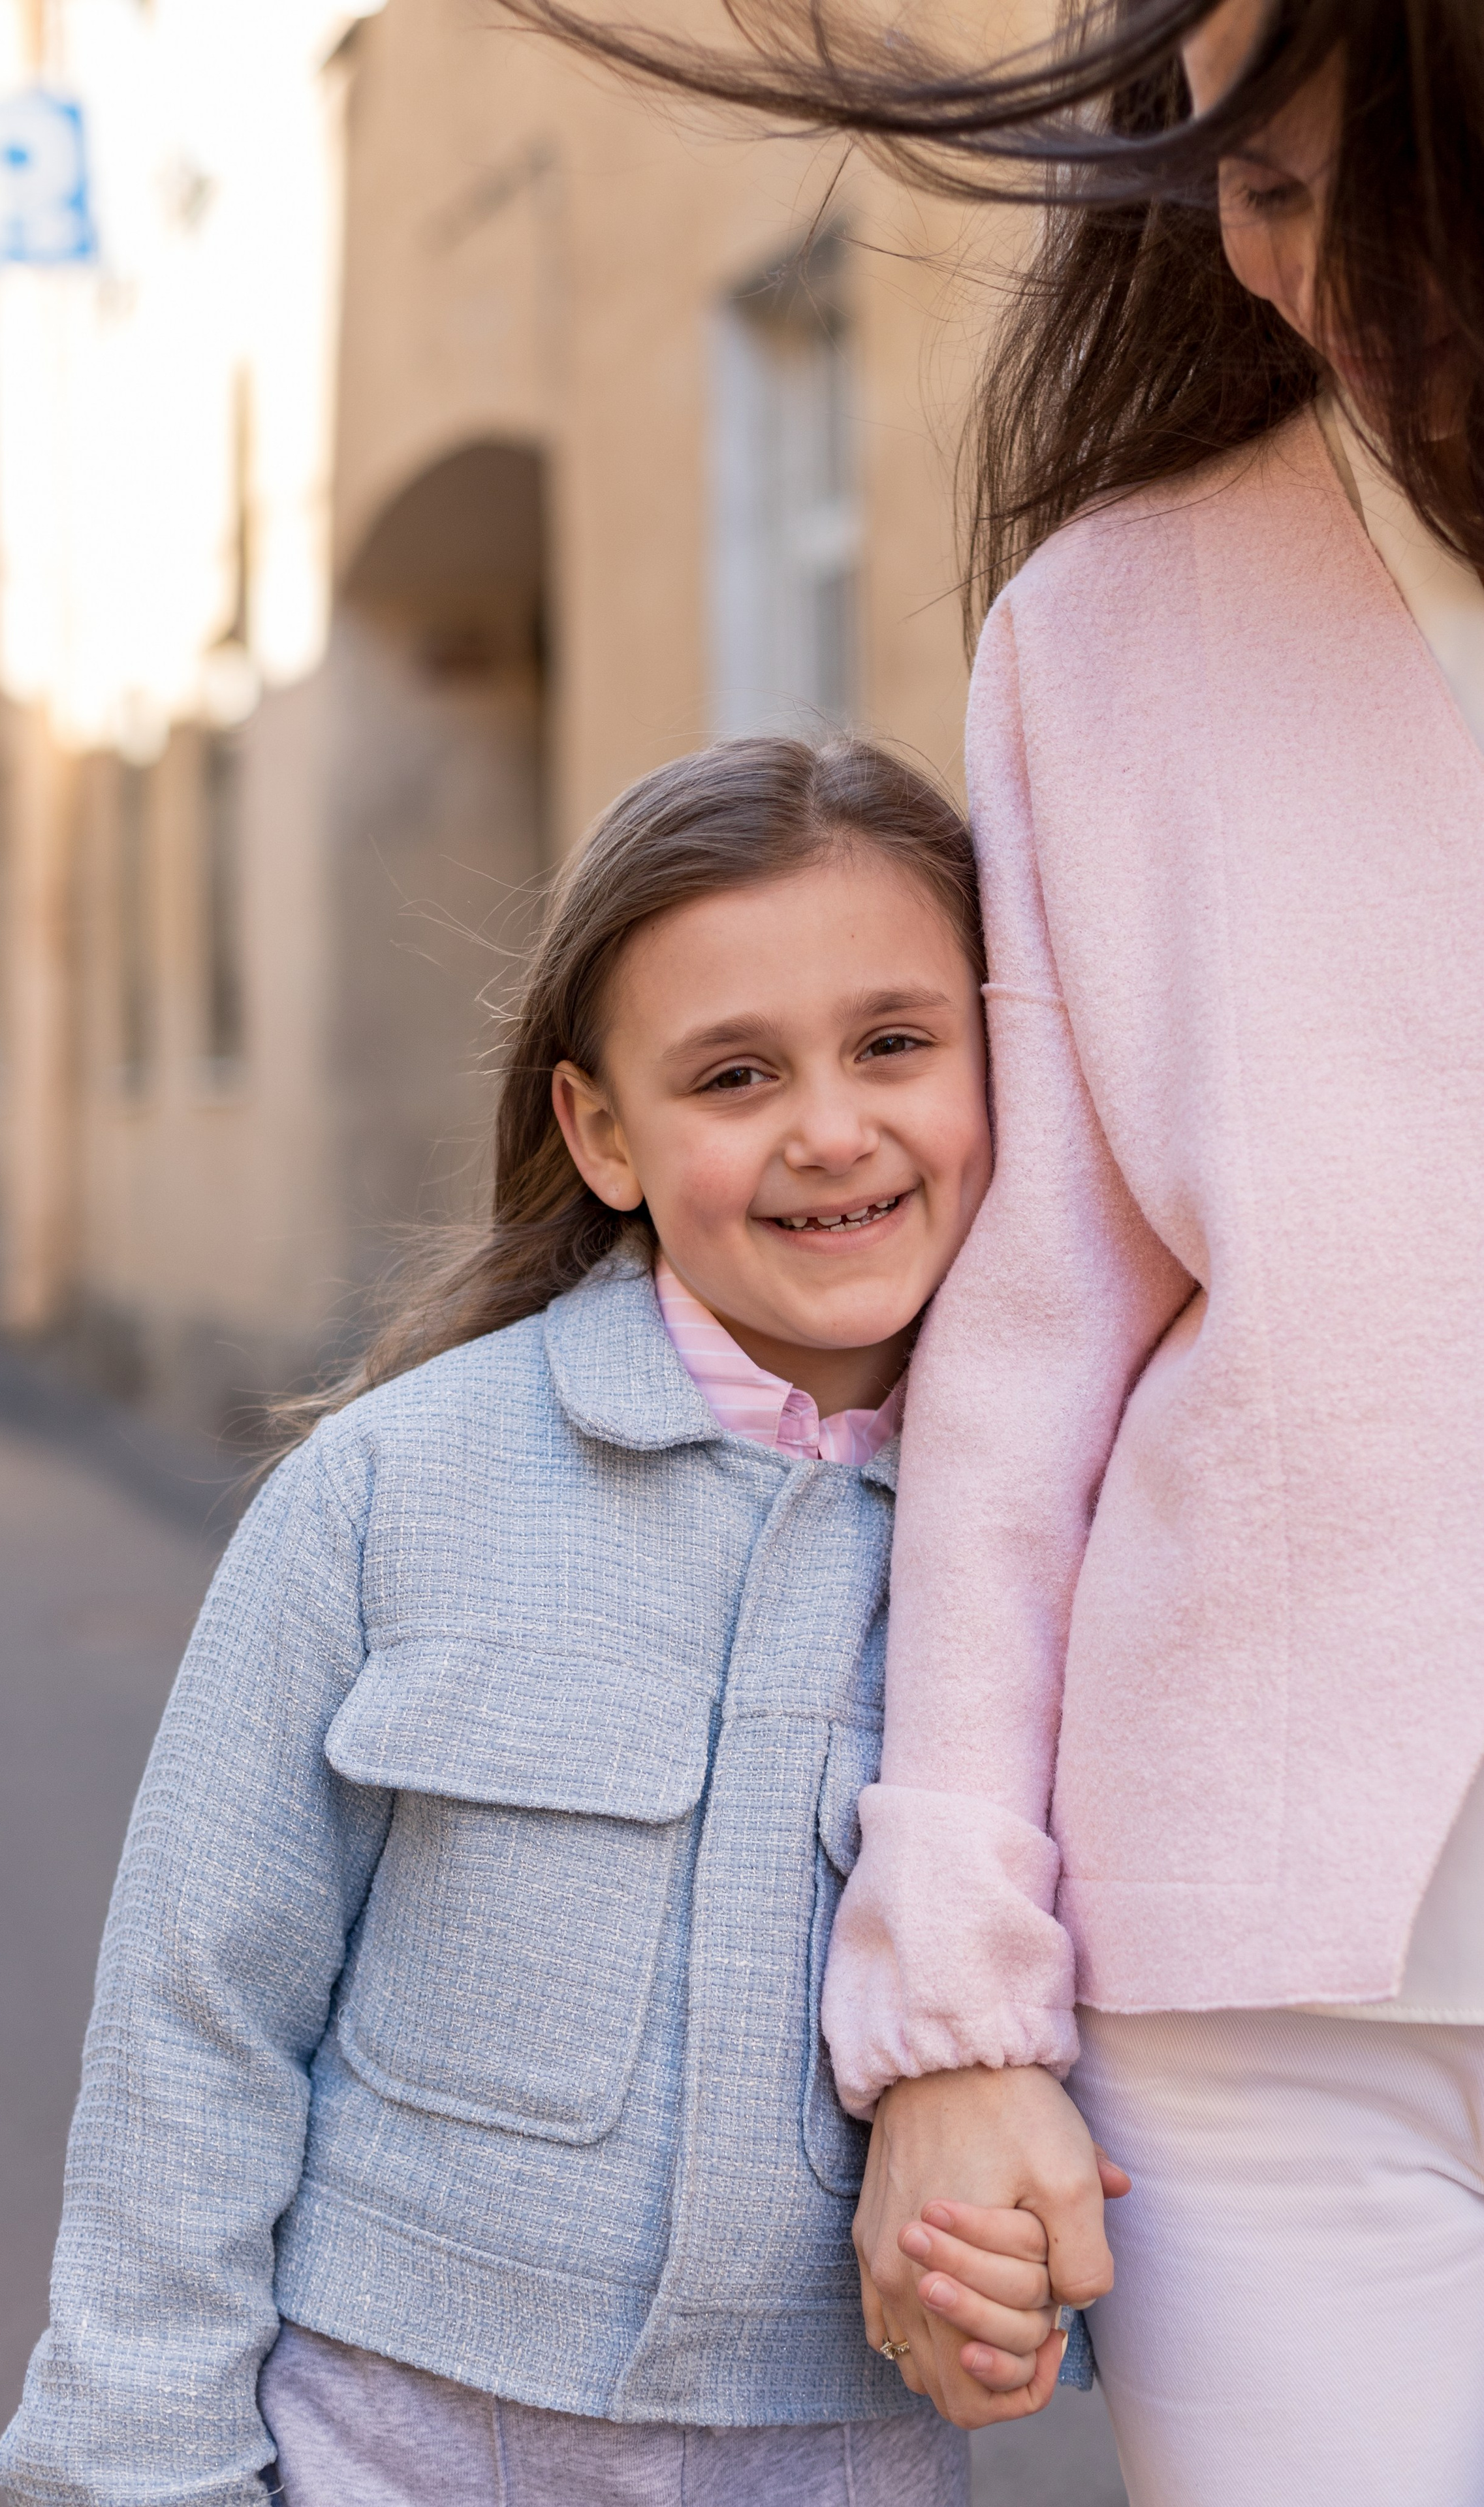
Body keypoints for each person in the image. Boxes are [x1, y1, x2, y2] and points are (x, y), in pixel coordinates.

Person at [497, 4, 1484, 2501]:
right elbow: (1029, 1362)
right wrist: (952, 2014)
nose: (1296, 274)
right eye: (1244, 191)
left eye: (1363, 189)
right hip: (1279, 2004)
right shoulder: (1114, 627)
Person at [0, 735, 1060, 2507]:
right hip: (379, 2445)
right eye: (733, 1074)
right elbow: (196, 2010)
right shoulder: (393, 1491)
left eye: (895, 1043)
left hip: (836, 2458)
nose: (830, 1129)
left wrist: (1026, 2282)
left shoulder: (1064, 1542)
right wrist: (145, 2467)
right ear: (604, 1132)